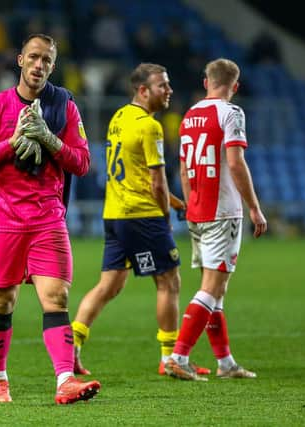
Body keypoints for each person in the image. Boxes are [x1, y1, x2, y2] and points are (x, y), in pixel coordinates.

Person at [0, 33, 100, 404]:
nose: (40, 65)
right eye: (34, 58)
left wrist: (49, 138)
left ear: (53, 67)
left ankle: (65, 381)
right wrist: (12, 142)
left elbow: (83, 163)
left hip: (47, 219)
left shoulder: (65, 108)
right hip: (5, 220)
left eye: (47, 61)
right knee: (2, 301)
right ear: (20, 59)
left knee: (56, 297)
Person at [71, 63, 209, 378]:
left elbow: (137, 176)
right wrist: (165, 215)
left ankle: (73, 345)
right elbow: (156, 182)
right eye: (163, 85)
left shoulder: (118, 118)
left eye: (169, 84)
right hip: (142, 216)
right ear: (143, 91)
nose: (169, 91)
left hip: (115, 215)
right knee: (169, 282)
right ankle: (171, 357)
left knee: (109, 285)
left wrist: (176, 203)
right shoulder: (150, 127)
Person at [165, 58, 268, 381]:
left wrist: (189, 201)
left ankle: (225, 363)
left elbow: (182, 168)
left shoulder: (188, 116)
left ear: (206, 81)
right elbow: (235, 164)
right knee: (213, 288)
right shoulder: (232, 113)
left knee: (215, 291)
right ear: (234, 86)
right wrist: (254, 207)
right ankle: (178, 356)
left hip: (197, 209)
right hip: (223, 211)